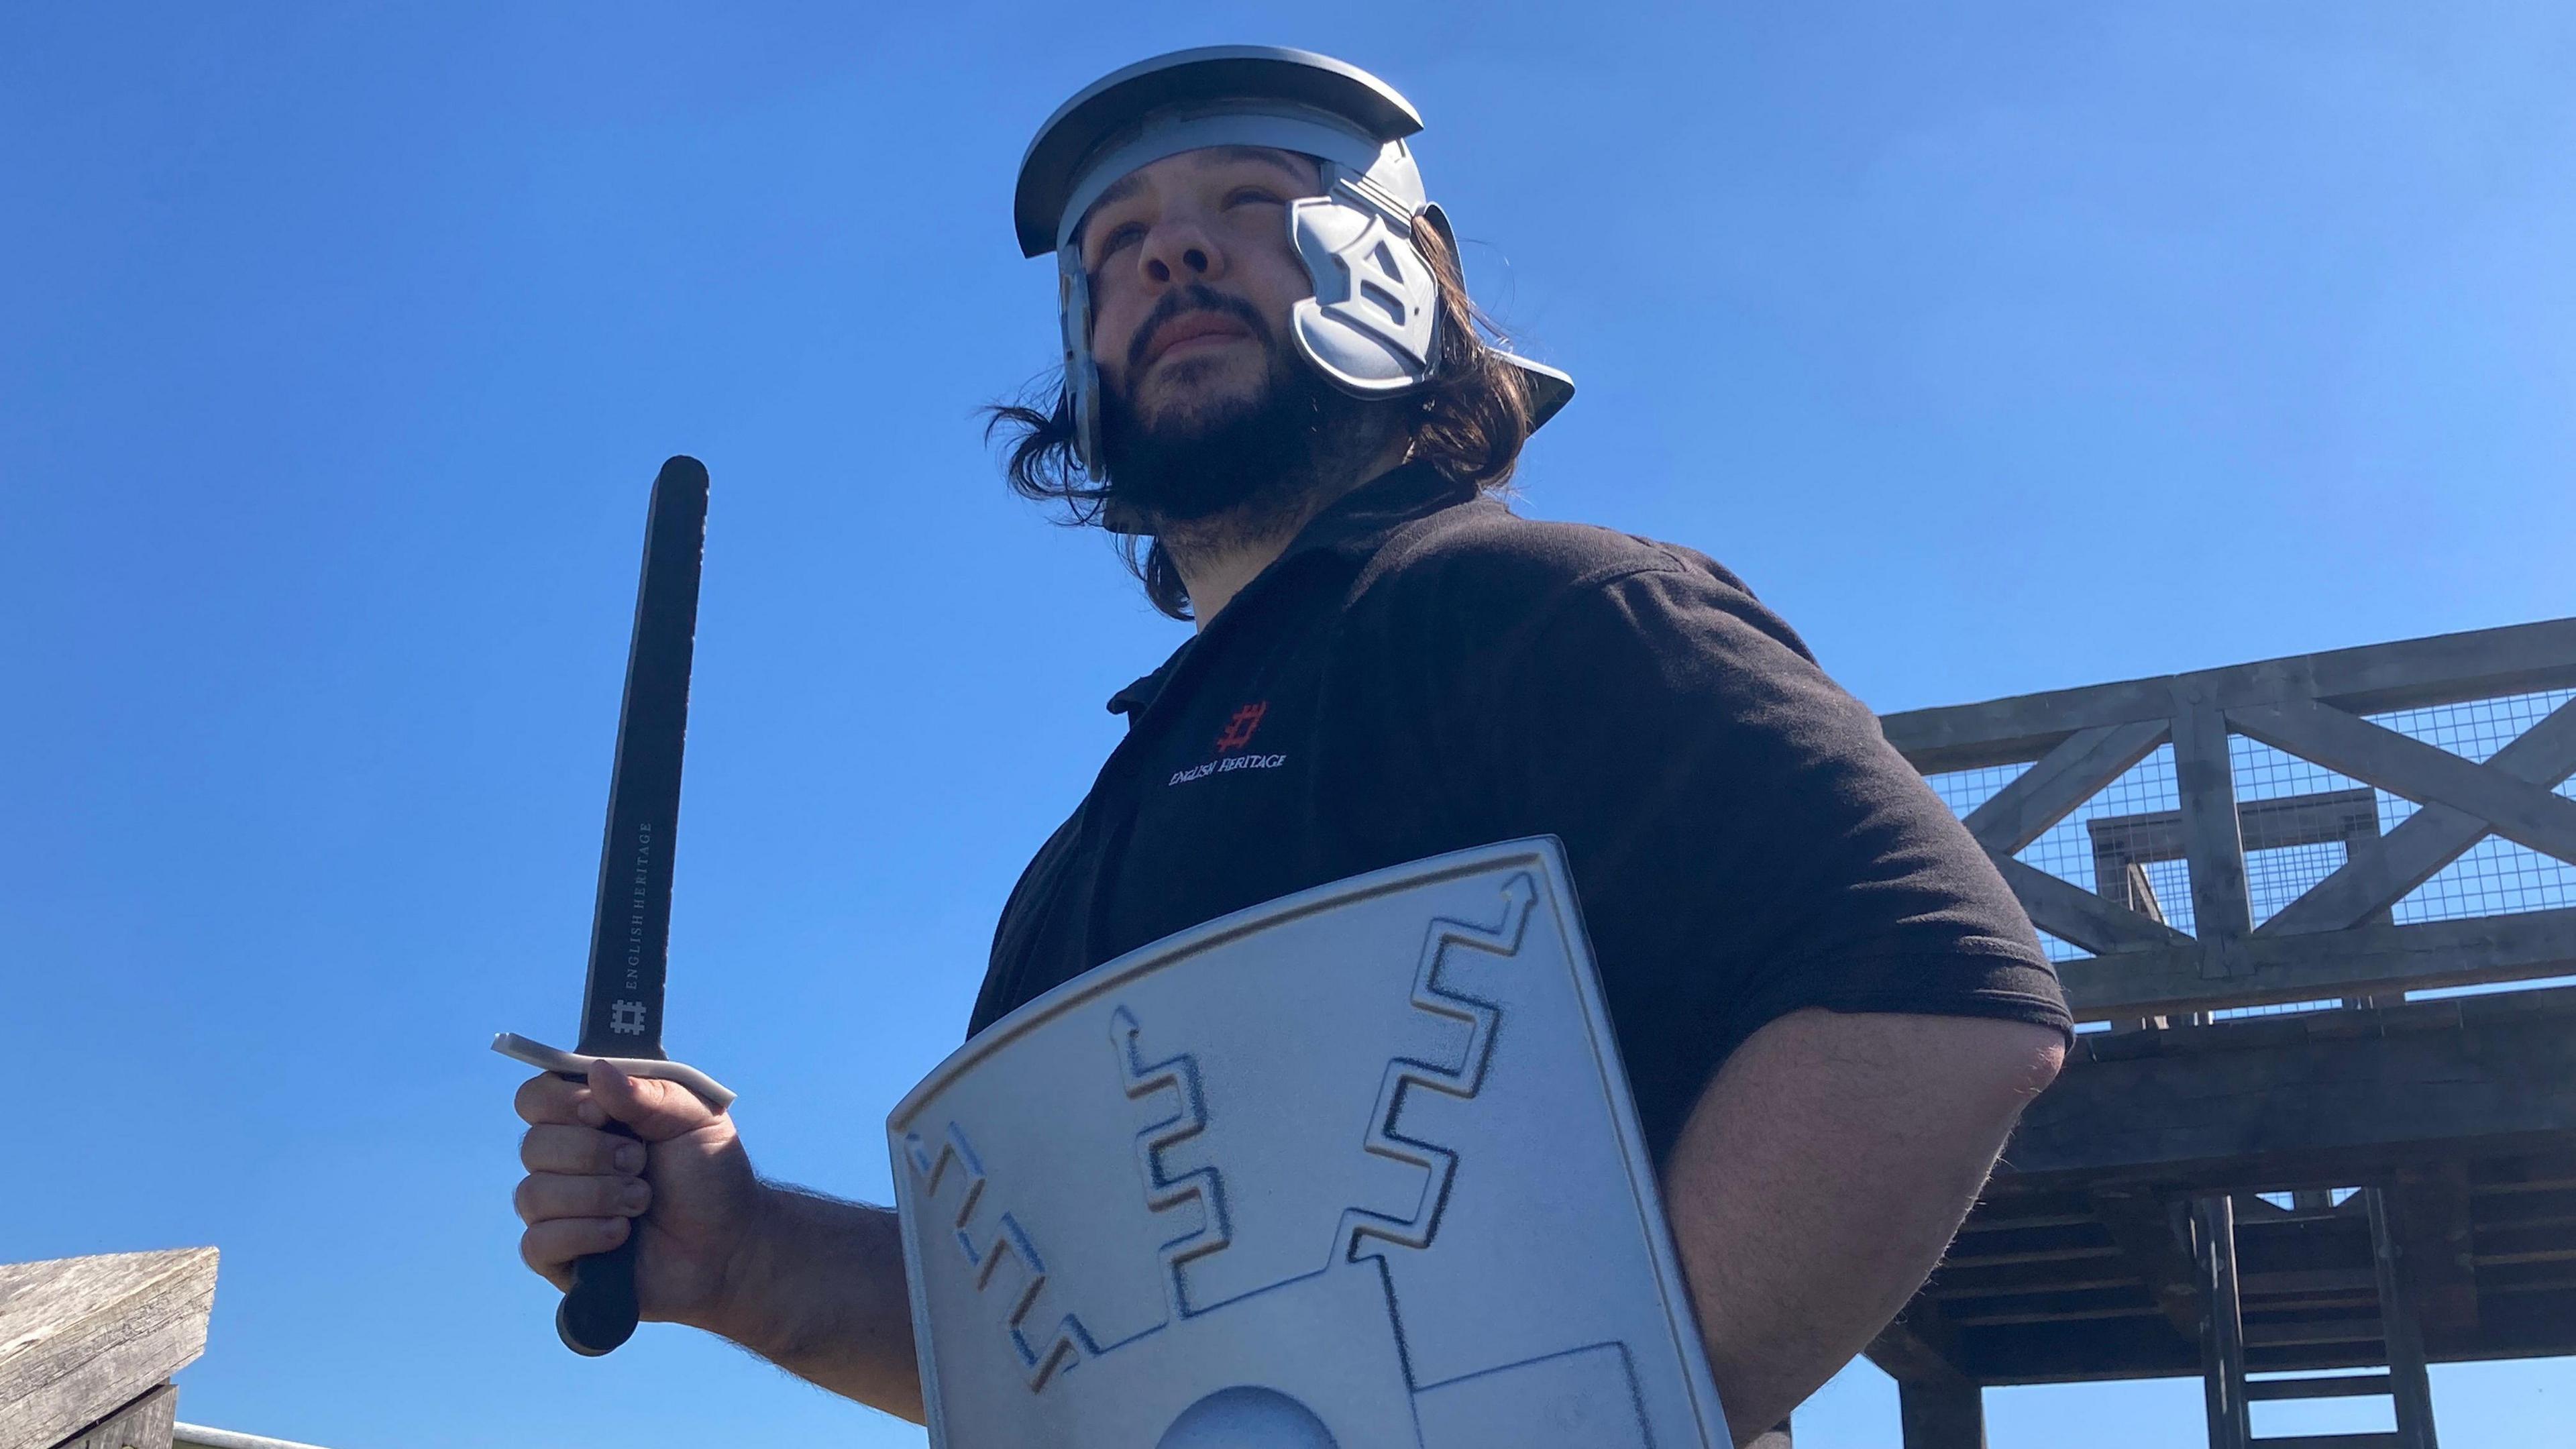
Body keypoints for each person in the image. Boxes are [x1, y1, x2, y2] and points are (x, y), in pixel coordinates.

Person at [511, 47, 2070, 1445]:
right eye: (1116, 247)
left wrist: (1604, 1420)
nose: (1172, 248)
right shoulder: (1103, 822)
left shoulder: (1533, 608)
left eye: (1247, 204)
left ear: (1413, 274)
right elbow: (1081, 1346)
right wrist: (750, 1259)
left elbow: (1928, 995)